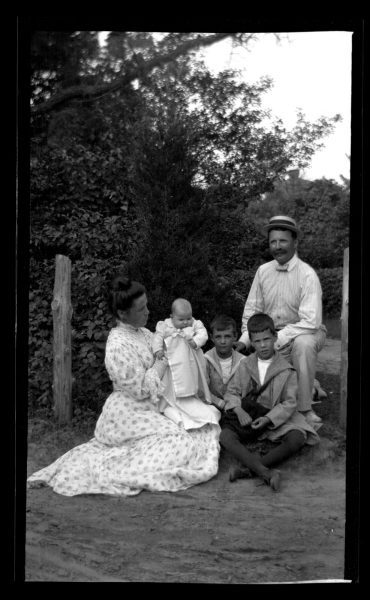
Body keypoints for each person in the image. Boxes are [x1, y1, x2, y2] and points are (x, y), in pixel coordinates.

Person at [27, 275, 221, 497]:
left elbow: (169, 352)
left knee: (200, 428)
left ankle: (139, 453)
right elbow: (140, 388)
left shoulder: (144, 333)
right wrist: (162, 361)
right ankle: (108, 469)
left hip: (153, 403)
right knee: (180, 443)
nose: (147, 312)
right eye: (141, 309)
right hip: (128, 409)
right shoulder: (117, 345)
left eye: (146, 306)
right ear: (122, 313)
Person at [235, 215, 327, 427]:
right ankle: (309, 386)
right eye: (273, 242)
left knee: (303, 346)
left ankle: (305, 409)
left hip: (306, 331)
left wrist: (278, 339)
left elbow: (311, 320)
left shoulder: (307, 275)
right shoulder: (263, 271)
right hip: (272, 332)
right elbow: (252, 309)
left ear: (295, 242)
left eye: (283, 241)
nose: (277, 246)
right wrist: (245, 340)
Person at [221, 312, 320, 492]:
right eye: (257, 341)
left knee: (297, 437)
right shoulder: (245, 364)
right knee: (225, 436)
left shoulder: (286, 369)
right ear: (251, 341)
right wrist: (239, 411)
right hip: (250, 415)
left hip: (273, 416)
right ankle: (266, 473)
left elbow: (289, 403)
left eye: (266, 339)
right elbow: (232, 391)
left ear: (275, 337)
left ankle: (247, 470)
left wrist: (268, 419)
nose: (263, 345)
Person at [152, 298, 220, 429]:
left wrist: (196, 341)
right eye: (181, 319)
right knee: (171, 382)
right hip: (172, 362)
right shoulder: (165, 325)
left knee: (192, 378)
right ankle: (172, 402)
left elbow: (203, 334)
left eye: (188, 318)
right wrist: (157, 349)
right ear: (172, 317)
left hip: (190, 361)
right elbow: (157, 337)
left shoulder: (195, 323)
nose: (186, 322)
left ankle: (192, 397)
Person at [203, 314, 246, 411]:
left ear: (235, 336)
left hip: (237, 407)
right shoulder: (206, 360)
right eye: (218, 337)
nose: (223, 341)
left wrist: (234, 406)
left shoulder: (243, 361)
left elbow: (245, 391)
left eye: (227, 336)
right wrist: (221, 404)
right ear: (212, 337)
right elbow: (203, 390)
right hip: (212, 406)